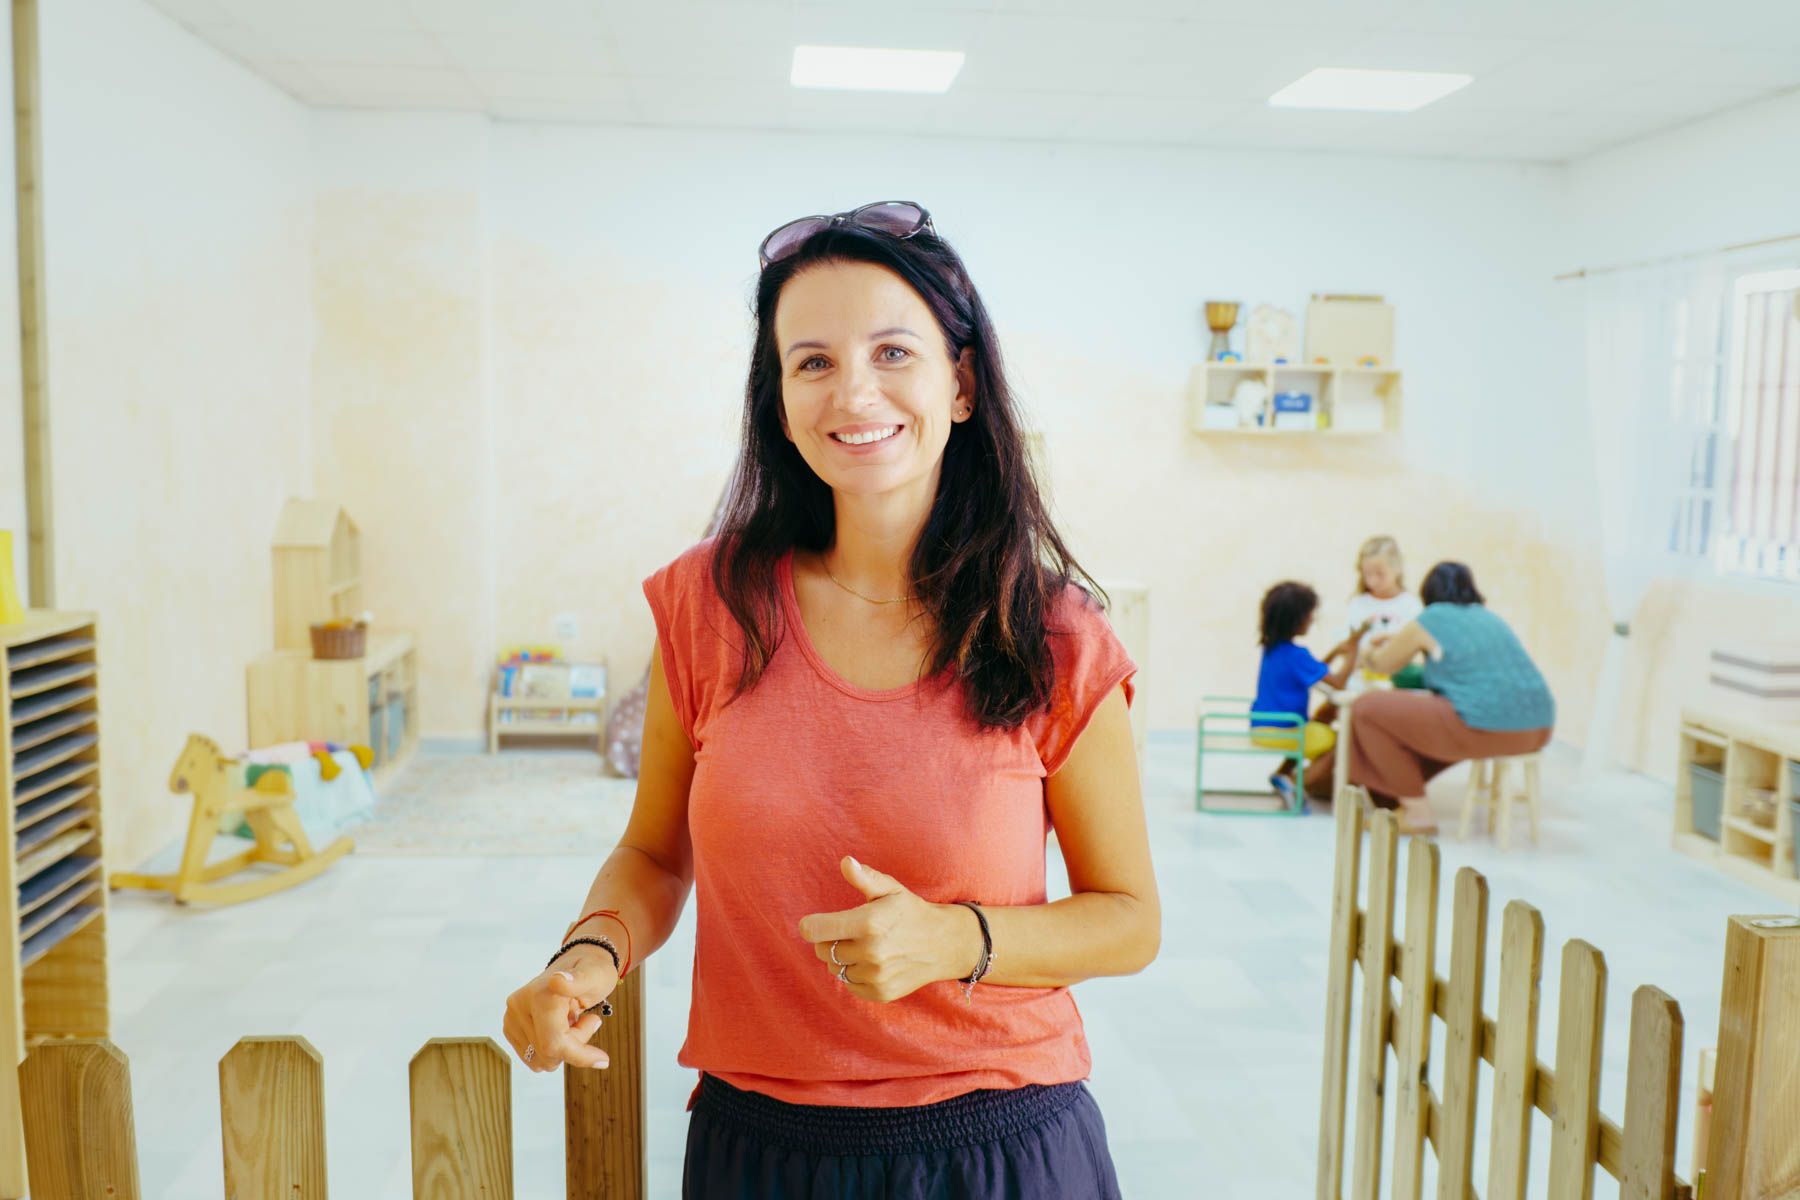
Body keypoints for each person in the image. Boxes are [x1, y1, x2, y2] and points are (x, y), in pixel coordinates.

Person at [502, 201, 1158, 1199]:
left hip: (999, 1146)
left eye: (894, 351)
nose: (855, 391)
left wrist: (958, 939)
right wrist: (587, 957)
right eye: (811, 362)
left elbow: (1129, 920)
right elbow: (652, 853)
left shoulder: (1056, 635)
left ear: (963, 383)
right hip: (761, 1149)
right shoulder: (709, 604)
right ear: (778, 398)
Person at [1304, 561, 1555, 835]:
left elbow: (1383, 665)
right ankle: (1393, 793)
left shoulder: (1432, 617)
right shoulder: (1489, 618)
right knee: (1399, 719)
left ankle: (1417, 813)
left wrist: (1367, 651)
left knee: (1366, 709)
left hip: (1484, 726)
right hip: (1538, 729)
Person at [1251, 581, 1362, 807]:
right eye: (1310, 615)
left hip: (1263, 727)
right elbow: (1339, 683)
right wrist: (1354, 652)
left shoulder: (1274, 649)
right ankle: (1294, 782)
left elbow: (1312, 671)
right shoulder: (1297, 655)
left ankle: (1282, 774)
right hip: (1285, 730)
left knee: (1323, 716)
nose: (1313, 620)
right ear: (1298, 620)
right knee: (1340, 740)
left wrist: (1335, 652)